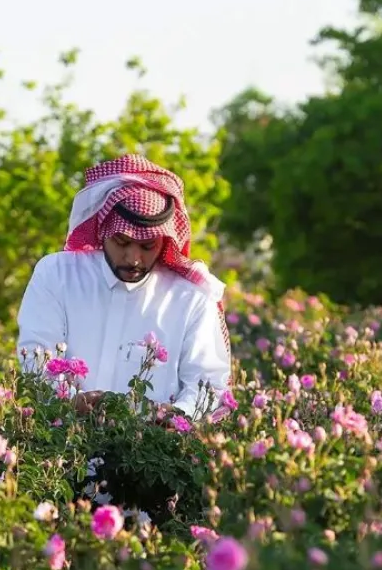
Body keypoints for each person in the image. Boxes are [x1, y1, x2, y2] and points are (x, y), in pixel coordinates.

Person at [17, 154, 232, 421]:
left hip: (152, 455)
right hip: (62, 445)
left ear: (164, 241)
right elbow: (36, 356)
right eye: (122, 242)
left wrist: (176, 415)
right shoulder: (57, 274)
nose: (133, 259)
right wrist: (69, 402)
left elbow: (208, 383)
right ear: (104, 230)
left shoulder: (190, 298)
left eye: (147, 246)